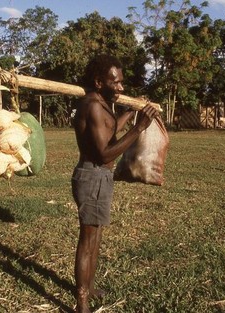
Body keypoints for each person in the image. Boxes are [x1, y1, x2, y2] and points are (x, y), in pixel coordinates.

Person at [71, 54, 159, 313]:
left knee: (96, 237)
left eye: (121, 82)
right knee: (87, 242)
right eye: (116, 82)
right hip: (92, 176)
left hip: (100, 177)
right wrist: (139, 128)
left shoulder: (101, 102)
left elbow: (109, 131)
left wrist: (132, 113)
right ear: (99, 82)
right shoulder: (93, 106)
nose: (121, 87)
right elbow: (104, 154)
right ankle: (82, 302)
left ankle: (90, 286)